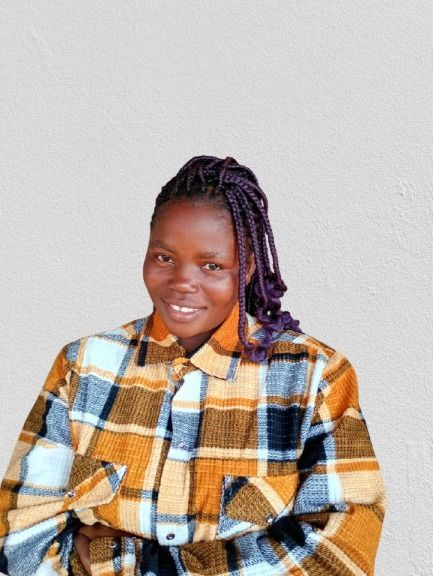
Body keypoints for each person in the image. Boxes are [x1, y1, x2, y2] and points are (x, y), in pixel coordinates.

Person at [0, 155, 386, 575]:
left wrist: (127, 564)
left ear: (247, 269)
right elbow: (18, 536)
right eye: (164, 257)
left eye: (212, 265)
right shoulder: (84, 366)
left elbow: (340, 556)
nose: (183, 281)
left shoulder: (313, 377)